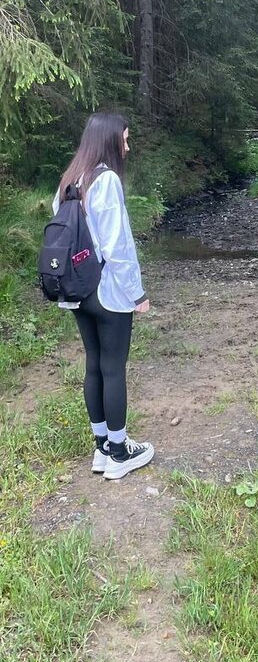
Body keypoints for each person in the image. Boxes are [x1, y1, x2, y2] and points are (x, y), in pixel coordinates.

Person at [52, 112, 154, 481]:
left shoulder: (70, 180)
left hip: (76, 290)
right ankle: (120, 452)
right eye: (124, 139)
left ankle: (102, 448)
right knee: (113, 367)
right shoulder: (106, 179)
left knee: (94, 363)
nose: (127, 147)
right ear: (109, 141)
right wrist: (137, 293)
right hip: (107, 291)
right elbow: (117, 246)